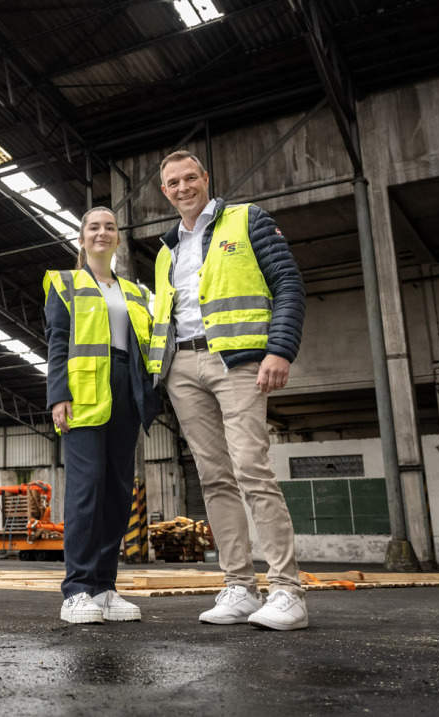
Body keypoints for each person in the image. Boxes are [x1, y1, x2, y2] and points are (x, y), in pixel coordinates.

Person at [148, 150, 308, 631]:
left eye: (189, 178)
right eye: (172, 182)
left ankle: (287, 591)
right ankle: (239, 585)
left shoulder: (247, 220)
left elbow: (288, 283)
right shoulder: (165, 251)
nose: (182, 188)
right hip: (184, 368)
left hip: (237, 360)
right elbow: (164, 319)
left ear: (205, 179)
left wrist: (279, 349)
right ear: (165, 191)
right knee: (214, 478)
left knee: (251, 468)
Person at [44, 207, 159, 625]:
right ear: (81, 238)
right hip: (84, 394)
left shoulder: (135, 292)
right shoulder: (65, 283)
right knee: (86, 490)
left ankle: (105, 588)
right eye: (93, 226)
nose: (102, 232)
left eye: (110, 226)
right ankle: (76, 589)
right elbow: (57, 342)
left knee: (117, 491)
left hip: (126, 389)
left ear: (118, 239)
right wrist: (58, 396)